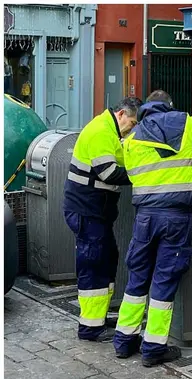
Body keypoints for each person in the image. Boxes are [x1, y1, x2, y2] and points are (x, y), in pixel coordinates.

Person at [112, 90, 192, 366]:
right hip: (175, 217)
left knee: (137, 277)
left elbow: (129, 169)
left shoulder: (132, 139)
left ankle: (124, 341)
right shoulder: (185, 124)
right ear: (169, 106)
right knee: (164, 279)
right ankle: (153, 348)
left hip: (145, 217)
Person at [62, 97, 142, 342]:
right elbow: (108, 173)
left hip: (96, 212)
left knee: (107, 259)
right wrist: (142, 174)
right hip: (87, 211)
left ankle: (99, 316)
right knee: (94, 263)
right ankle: (90, 327)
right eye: (131, 121)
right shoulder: (100, 132)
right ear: (120, 114)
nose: (132, 127)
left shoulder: (108, 130)